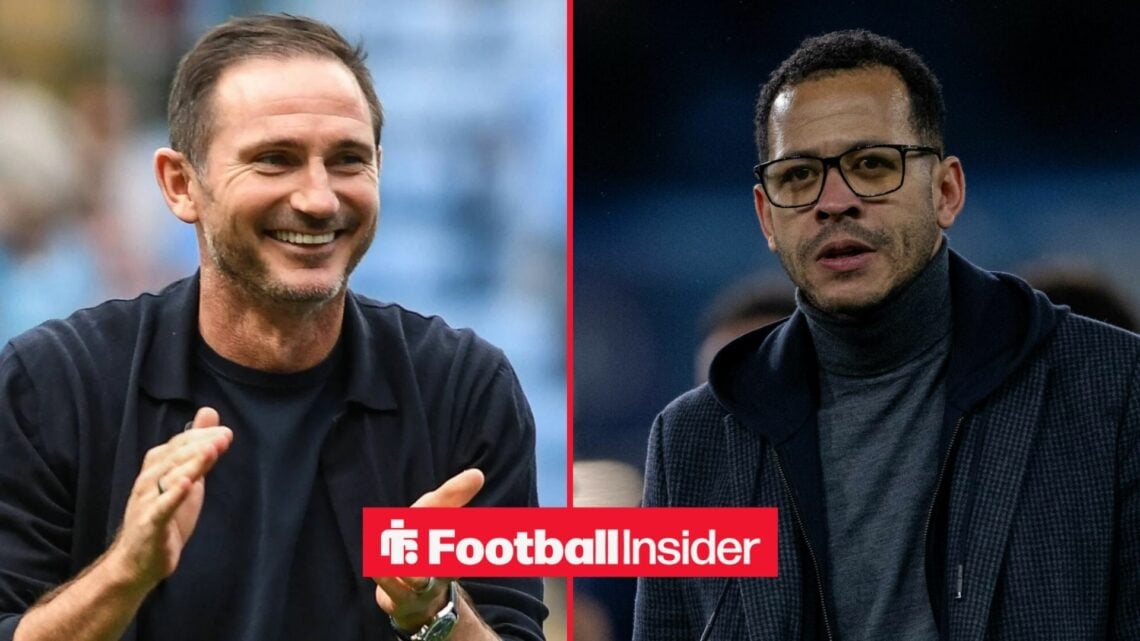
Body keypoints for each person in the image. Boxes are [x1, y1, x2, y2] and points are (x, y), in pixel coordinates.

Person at [0, 14, 545, 641]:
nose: (318, 198)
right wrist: (126, 572)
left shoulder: (464, 389)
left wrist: (436, 614)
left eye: (347, 160)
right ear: (181, 185)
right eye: (274, 160)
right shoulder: (53, 383)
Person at [634, 30, 1139, 640]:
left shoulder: (1113, 388)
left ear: (946, 191)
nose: (834, 202)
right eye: (798, 176)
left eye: (872, 165)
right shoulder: (692, 441)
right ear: (767, 217)